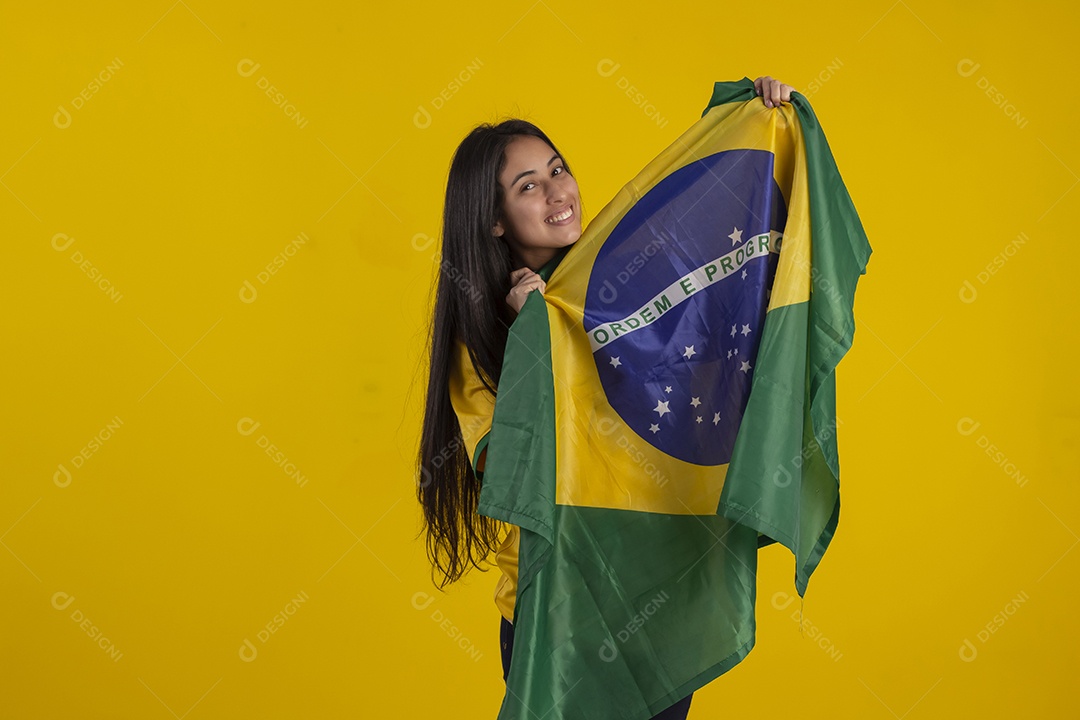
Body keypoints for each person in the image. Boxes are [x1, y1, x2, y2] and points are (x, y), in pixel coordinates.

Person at [417, 75, 796, 719]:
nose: (557, 192)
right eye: (527, 185)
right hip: (561, 609)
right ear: (493, 219)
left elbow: (707, 256)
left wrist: (752, 119)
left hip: (653, 590)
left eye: (557, 169)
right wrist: (534, 344)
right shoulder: (479, 331)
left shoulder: (619, 276)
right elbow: (506, 466)